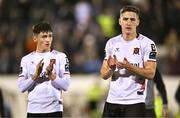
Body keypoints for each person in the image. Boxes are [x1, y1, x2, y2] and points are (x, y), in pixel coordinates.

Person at [100, 5, 157, 117]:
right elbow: (103, 74)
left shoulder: (147, 44)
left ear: (138, 22)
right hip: (112, 100)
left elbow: (151, 73)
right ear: (120, 21)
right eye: (125, 19)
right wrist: (111, 69)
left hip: (135, 102)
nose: (128, 22)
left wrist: (129, 66)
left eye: (132, 19)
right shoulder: (111, 43)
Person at [17, 22, 71, 118]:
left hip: (54, 109)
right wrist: (35, 75)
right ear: (35, 38)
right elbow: (21, 87)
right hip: (34, 110)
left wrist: (51, 75)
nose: (48, 40)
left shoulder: (61, 57)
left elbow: (66, 85)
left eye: (50, 36)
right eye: (44, 36)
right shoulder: (26, 59)